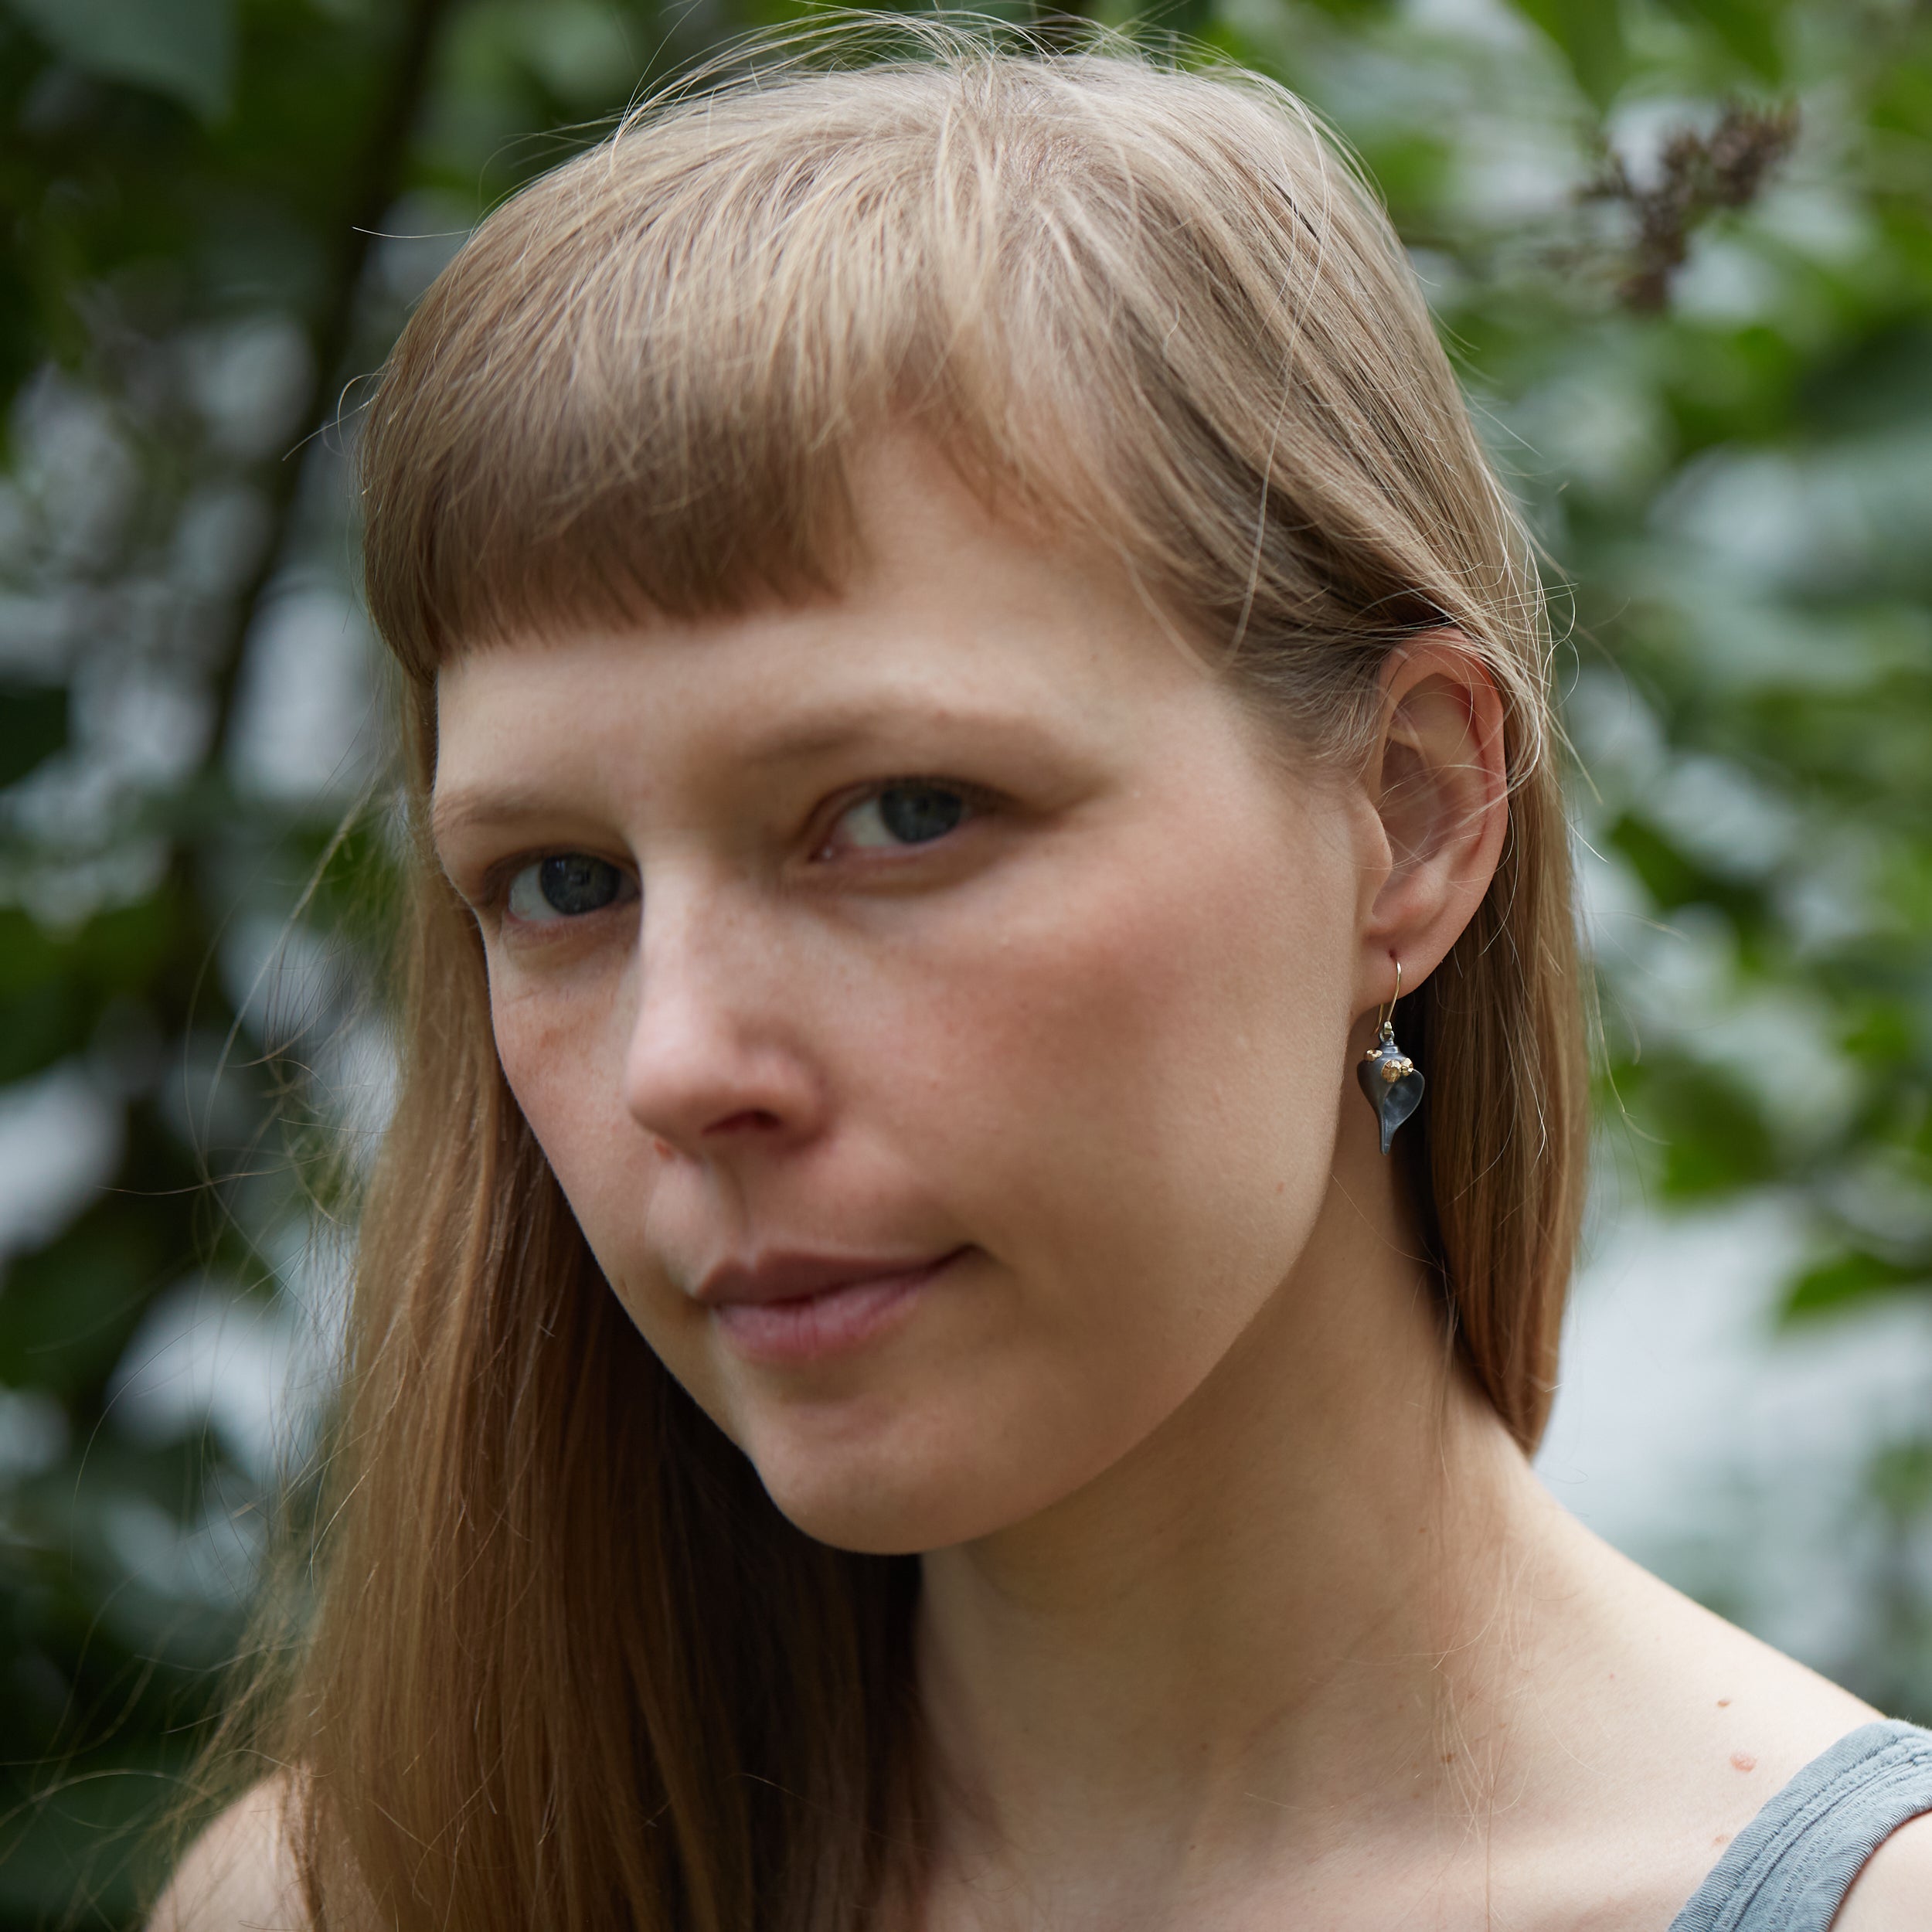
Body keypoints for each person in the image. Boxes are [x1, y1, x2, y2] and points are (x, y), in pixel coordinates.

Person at [154, 30, 1932, 1932]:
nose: (679, 1061)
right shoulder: (347, 1898)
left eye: (901, 813)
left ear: (1408, 817)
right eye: (562, 881)